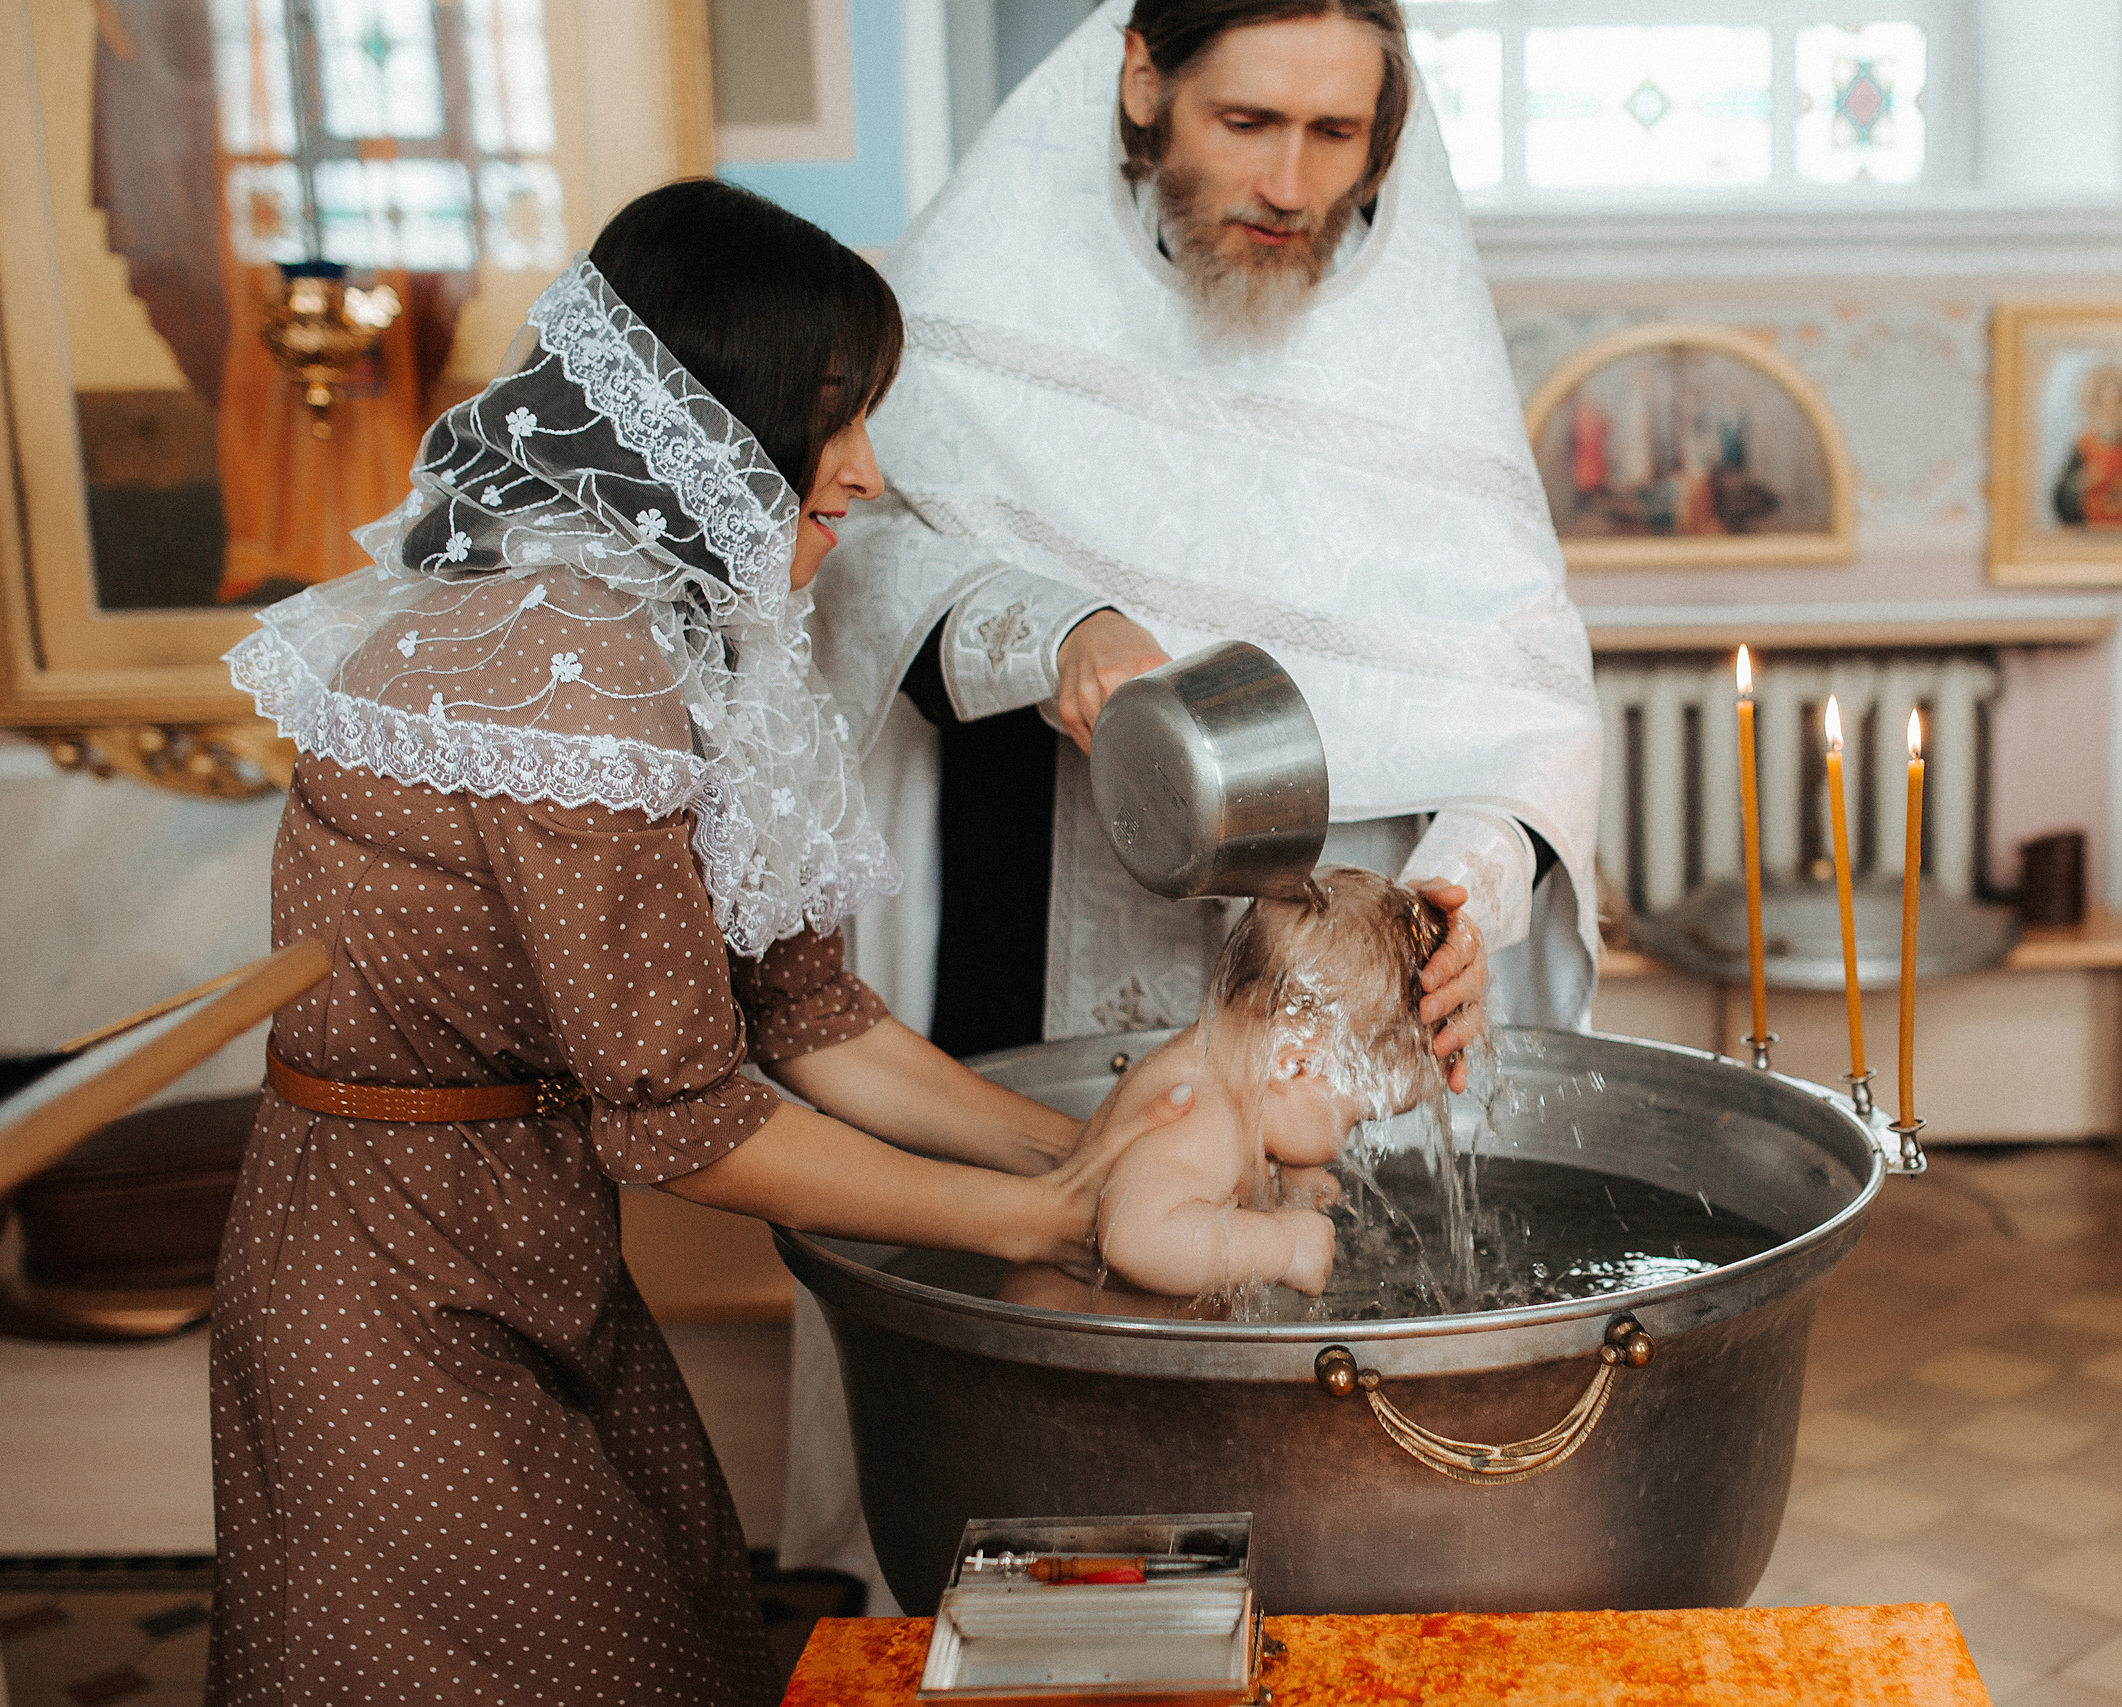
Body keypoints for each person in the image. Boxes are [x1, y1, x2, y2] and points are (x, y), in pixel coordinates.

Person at [209, 181, 1193, 1706]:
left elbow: (811, 1016)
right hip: (385, 1290)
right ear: (710, 423)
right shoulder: (558, 655)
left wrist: (1078, 1149)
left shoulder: (676, 630)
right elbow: (688, 1121)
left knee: (664, 1641)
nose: (863, 477)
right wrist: (1045, 1222)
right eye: (837, 420)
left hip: (532, 1247)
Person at [813, 0, 1603, 1071]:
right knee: (1047, 1211)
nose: (1290, 185)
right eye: (1246, 122)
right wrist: (1060, 626)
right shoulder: (992, 286)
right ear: (1145, 82)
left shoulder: (1416, 359)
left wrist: (1463, 891)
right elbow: (853, 548)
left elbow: (1527, 697)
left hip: (1338, 961)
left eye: (1335, 135)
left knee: (1335, 1234)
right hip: (1034, 904)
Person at [999, 866, 1442, 1313]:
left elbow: (1194, 1191)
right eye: (1353, 1118)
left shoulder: (1219, 1073)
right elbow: (1134, 1237)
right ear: (1295, 1064)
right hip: (1071, 1348)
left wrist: (1277, 1187)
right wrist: (1281, 1245)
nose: (1345, 1141)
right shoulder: (1203, 1116)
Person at [2052, 361, 2122, 529]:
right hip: (2089, 531)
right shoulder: (2083, 445)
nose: (2110, 410)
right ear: (2096, 405)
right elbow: (2062, 496)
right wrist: (2080, 482)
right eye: (2104, 403)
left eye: (2116, 403)